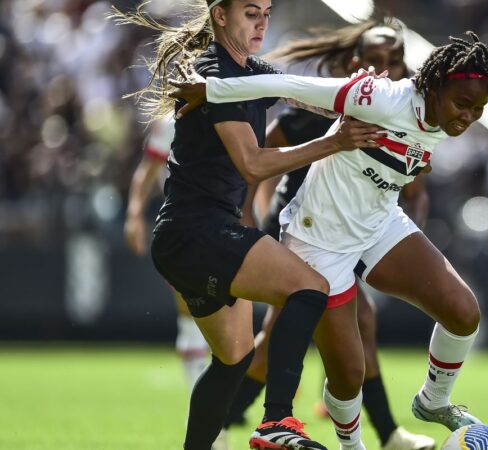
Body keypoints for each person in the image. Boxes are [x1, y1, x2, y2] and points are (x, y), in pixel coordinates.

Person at [171, 30, 488, 450]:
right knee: (349, 377)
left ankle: (434, 401)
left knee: (463, 312)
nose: (468, 116)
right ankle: (351, 445)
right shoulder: (378, 97)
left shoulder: (444, 119)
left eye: (479, 109)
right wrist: (213, 89)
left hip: (379, 221)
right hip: (319, 240)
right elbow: (288, 86)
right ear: (435, 85)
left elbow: (409, 160)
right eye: (463, 104)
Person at [113, 1, 385, 449]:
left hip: (186, 238)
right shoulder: (216, 71)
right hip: (198, 232)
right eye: (250, 12)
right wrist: (334, 141)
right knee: (309, 288)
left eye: (267, 12)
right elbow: (254, 164)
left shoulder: (249, 70)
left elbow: (303, 95)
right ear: (220, 15)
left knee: (233, 360)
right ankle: (277, 420)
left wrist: (366, 95)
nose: (262, 22)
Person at [222, 19, 435, 450]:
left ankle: (385, 433)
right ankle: (223, 422)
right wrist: (247, 215)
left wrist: (409, 236)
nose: (385, 69)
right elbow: (258, 160)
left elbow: (415, 189)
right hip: (300, 228)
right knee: (277, 341)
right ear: (355, 63)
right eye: (375, 60)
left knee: (361, 324)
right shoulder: (314, 110)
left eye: (394, 61)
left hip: (353, 232)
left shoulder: (405, 114)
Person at [123, 116, 227, 450]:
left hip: (230, 221)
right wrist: (134, 213)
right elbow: (148, 169)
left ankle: (219, 413)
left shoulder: (238, 104)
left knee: (226, 324)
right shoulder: (171, 121)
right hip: (187, 225)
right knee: (192, 316)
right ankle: (210, 420)